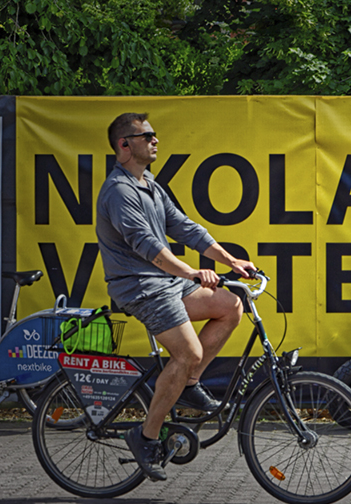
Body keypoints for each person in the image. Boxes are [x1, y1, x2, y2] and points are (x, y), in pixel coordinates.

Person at [96, 112, 256, 481]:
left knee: (231, 305)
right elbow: (147, 246)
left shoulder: (149, 184)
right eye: (147, 135)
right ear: (124, 145)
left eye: (154, 134)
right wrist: (191, 272)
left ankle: (188, 384)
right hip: (140, 286)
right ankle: (145, 436)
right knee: (188, 352)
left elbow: (184, 227)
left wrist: (231, 261)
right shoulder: (119, 192)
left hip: (164, 281)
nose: (155, 140)